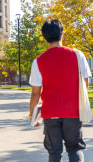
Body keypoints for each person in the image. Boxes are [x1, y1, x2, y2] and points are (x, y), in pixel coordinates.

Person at [29, 19, 91, 162]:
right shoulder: (78, 54)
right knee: (75, 148)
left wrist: (33, 114)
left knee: (54, 152)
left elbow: (35, 93)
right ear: (62, 33)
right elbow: (85, 82)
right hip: (73, 112)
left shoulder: (38, 61)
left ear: (44, 37)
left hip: (51, 113)